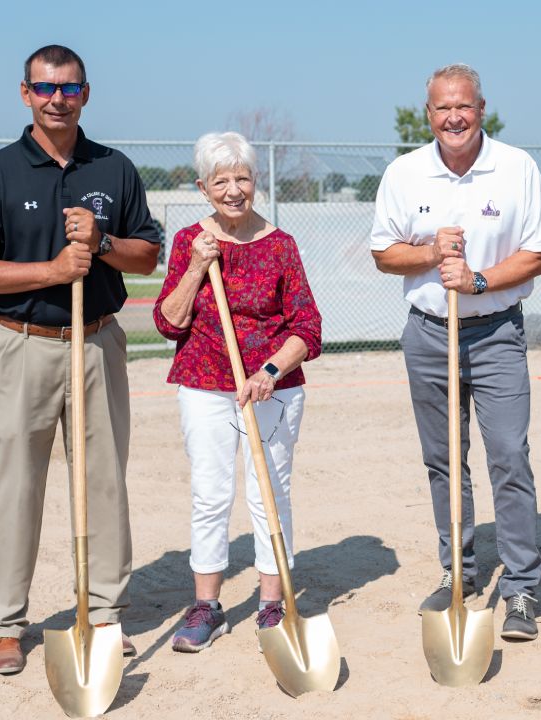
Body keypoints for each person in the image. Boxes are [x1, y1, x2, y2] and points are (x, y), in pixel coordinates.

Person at [0, 45, 161, 674]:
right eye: (45, 89)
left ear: (86, 94)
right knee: (13, 486)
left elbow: (148, 256)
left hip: (97, 342)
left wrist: (102, 244)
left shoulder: (114, 168)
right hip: (22, 344)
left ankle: (102, 614)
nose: (57, 99)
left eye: (69, 89)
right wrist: (51, 269)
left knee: (101, 481)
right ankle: (2, 624)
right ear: (25, 94)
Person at [370, 63, 541, 641]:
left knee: (508, 455)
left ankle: (521, 586)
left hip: (497, 330)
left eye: (464, 106)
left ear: (482, 109)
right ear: (428, 114)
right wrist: (429, 254)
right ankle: (460, 573)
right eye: (442, 108)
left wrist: (478, 281)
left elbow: (540, 253)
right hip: (428, 333)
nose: (454, 117)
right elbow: (383, 252)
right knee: (444, 461)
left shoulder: (516, 168)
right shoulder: (405, 173)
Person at [154, 132, 322, 653]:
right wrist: (199, 266)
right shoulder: (188, 242)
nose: (233, 190)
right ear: (203, 188)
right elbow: (168, 321)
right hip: (205, 381)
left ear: (256, 183)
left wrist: (270, 369)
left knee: (270, 492)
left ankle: (272, 603)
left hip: (272, 387)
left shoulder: (280, 245)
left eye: (242, 178)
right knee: (211, 492)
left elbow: (309, 328)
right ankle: (207, 605)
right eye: (221, 181)